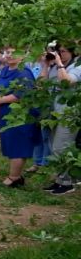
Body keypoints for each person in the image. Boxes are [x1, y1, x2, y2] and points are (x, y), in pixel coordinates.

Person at [0, 49, 38, 188]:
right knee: (10, 143)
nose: (10, 55)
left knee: (18, 144)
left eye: (14, 53)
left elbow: (22, 94)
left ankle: (15, 178)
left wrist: (1, 99)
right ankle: (14, 174)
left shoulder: (24, 73)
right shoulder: (5, 70)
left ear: (23, 56)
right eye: (8, 52)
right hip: (6, 114)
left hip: (19, 115)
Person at [44, 43, 80, 195]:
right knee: (54, 147)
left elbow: (66, 81)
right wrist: (45, 65)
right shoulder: (55, 67)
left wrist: (59, 63)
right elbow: (42, 83)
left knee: (62, 147)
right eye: (57, 51)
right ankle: (59, 180)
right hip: (54, 112)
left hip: (69, 114)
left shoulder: (78, 66)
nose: (60, 54)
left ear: (72, 52)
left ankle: (67, 182)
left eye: (63, 51)